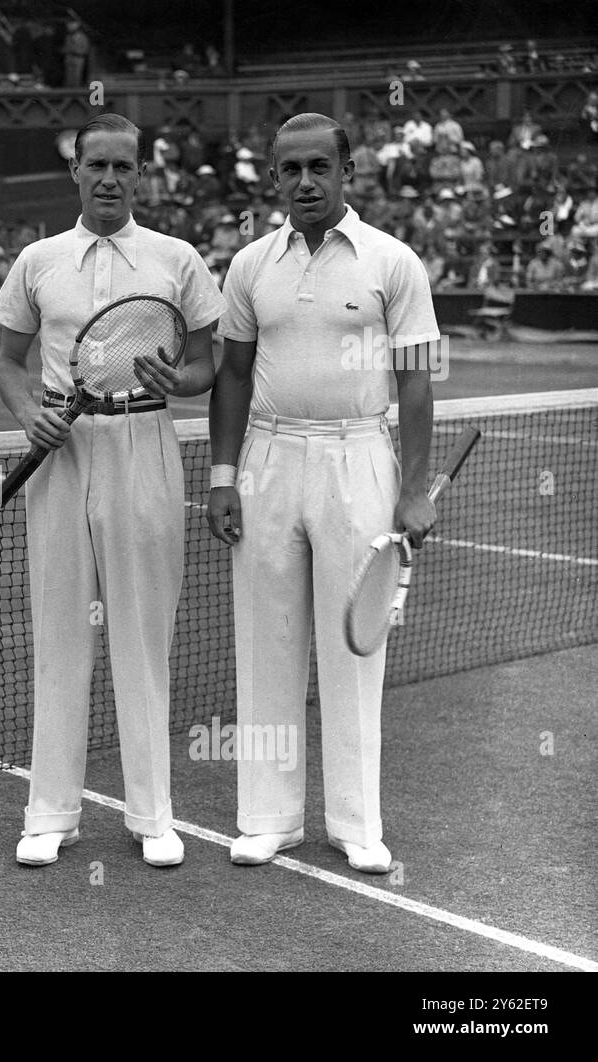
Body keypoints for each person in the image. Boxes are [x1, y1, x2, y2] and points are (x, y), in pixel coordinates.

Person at [0, 113, 225, 869]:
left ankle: (152, 814)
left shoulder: (177, 259)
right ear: (76, 170)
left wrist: (178, 380)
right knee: (59, 631)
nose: (110, 178)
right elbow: (9, 361)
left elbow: (207, 365)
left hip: (145, 443)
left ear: (140, 174)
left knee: (142, 634)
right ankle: (49, 814)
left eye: (124, 166)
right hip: (61, 451)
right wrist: (32, 416)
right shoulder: (38, 260)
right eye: (97, 164)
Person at [209, 112, 438, 875]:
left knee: (352, 645)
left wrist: (413, 492)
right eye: (290, 170)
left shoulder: (393, 261)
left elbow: (415, 383)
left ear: (346, 172)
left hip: (358, 460)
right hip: (267, 461)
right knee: (266, 640)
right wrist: (222, 476)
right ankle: (267, 818)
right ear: (273, 177)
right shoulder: (249, 266)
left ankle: (356, 825)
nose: (304, 182)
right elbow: (232, 376)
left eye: (319, 168)